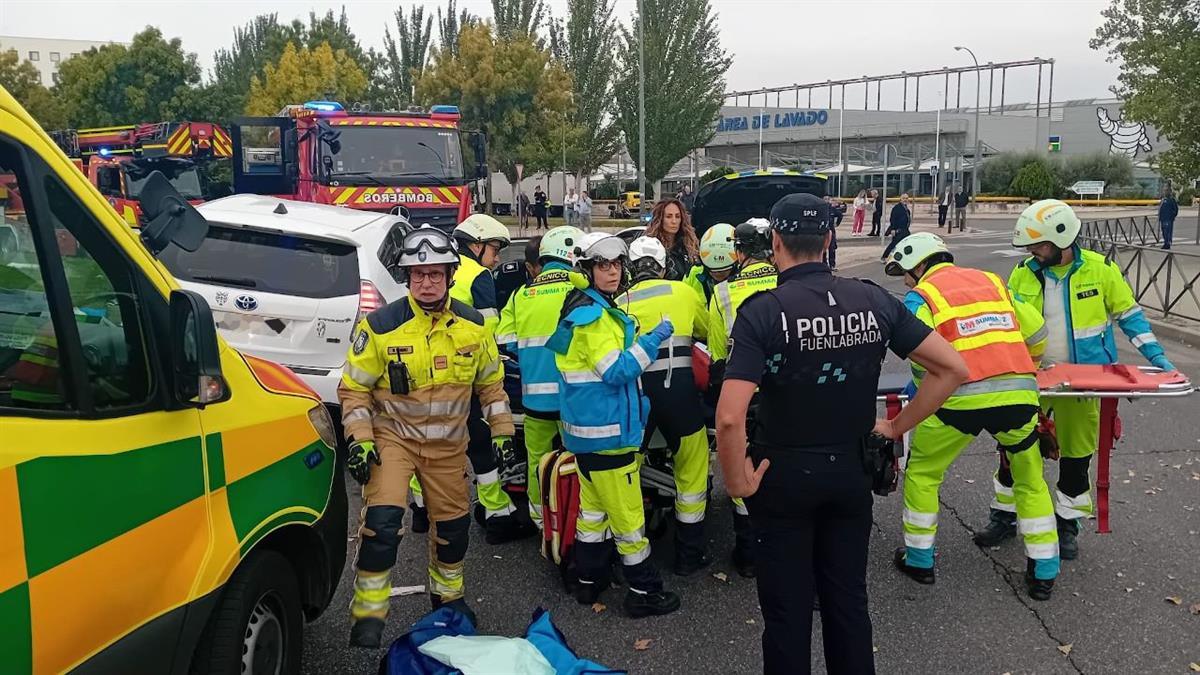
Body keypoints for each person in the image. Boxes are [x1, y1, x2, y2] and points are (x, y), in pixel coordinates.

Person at [715, 193, 967, 675]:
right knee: (847, 604)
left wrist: (737, 481)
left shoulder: (762, 312)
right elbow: (952, 368)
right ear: (829, 239)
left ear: (775, 242)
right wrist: (895, 426)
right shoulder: (872, 298)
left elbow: (729, 417)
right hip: (851, 471)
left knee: (787, 614)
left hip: (781, 474)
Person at [341, 225, 515, 647]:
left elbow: (491, 386)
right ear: (406, 278)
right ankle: (368, 612)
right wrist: (360, 439)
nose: (426, 282)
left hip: (447, 448)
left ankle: (448, 598)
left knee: (453, 529)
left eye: (435, 274)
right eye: (418, 275)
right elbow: (354, 389)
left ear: (451, 275)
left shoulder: (474, 327)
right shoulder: (381, 326)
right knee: (382, 524)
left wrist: (503, 431)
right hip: (393, 439)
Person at [977, 199, 1176, 559]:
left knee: (1076, 459)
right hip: (1032, 381)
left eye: (1039, 245)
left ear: (1063, 238)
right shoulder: (1024, 272)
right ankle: (1004, 516)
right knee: (1012, 453)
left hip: (1084, 384)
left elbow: (1130, 317)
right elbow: (1005, 322)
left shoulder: (1101, 271)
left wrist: (1158, 360)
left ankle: (1067, 524)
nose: (1034, 252)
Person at [884, 232, 1060, 600]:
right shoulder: (992, 283)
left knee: (925, 474)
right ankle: (1043, 570)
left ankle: (919, 560)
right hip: (1017, 399)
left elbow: (921, 356)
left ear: (919, 266)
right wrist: (1028, 370)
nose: (904, 280)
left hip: (955, 403)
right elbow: (1037, 331)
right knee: (1030, 480)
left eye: (905, 272)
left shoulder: (922, 297)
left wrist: (924, 393)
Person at [548, 232, 682, 617]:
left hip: (586, 437)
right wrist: (655, 337)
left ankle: (587, 582)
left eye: (617, 265)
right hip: (610, 439)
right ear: (587, 270)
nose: (612, 272)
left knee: (593, 517)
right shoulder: (594, 318)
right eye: (603, 265)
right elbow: (618, 370)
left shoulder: (579, 310)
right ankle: (644, 592)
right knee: (629, 523)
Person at [432, 213, 534, 543]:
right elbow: (488, 332)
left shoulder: (442, 267)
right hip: (467, 372)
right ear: (476, 245)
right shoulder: (478, 276)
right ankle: (496, 513)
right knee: (480, 443)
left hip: (432, 371)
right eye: (494, 249)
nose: (498, 258)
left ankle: (422, 508)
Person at [618, 236, 712, 575]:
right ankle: (689, 554)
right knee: (692, 467)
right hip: (681, 395)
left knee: (627, 472)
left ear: (630, 267)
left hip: (637, 399)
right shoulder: (685, 293)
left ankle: (630, 553)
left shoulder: (619, 301)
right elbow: (705, 329)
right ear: (663, 266)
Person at [496, 226, 583, 530]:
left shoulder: (522, 294)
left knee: (537, 459)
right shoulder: (580, 286)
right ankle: (579, 515)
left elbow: (505, 339)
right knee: (580, 460)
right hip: (575, 395)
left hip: (535, 398)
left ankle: (539, 518)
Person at [706, 217, 777, 578]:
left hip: (746, 394)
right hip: (789, 392)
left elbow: (719, 357)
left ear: (738, 253)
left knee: (744, 464)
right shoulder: (788, 281)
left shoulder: (722, 293)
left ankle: (749, 553)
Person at [644, 198, 700, 281]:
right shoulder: (650, 247)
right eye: (668, 216)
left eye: (677, 216)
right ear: (660, 219)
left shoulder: (689, 246)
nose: (674, 221)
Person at [685, 222, 736, 304]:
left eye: (724, 270)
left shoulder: (746, 275)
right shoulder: (694, 275)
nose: (718, 274)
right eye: (712, 270)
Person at [880, 193, 912, 261]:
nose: (905, 200)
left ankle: (903, 258)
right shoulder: (897, 208)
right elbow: (893, 219)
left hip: (905, 230)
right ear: (900, 199)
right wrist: (893, 229)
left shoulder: (906, 209)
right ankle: (884, 257)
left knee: (908, 243)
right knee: (894, 244)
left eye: (906, 198)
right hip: (898, 229)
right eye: (904, 198)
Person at [823, 195, 844, 270]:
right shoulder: (821, 209)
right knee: (823, 249)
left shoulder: (832, 209)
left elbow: (840, 215)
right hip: (823, 231)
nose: (827, 201)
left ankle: (832, 265)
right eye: (825, 199)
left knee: (832, 248)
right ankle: (824, 265)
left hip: (831, 231)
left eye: (828, 199)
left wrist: (837, 223)